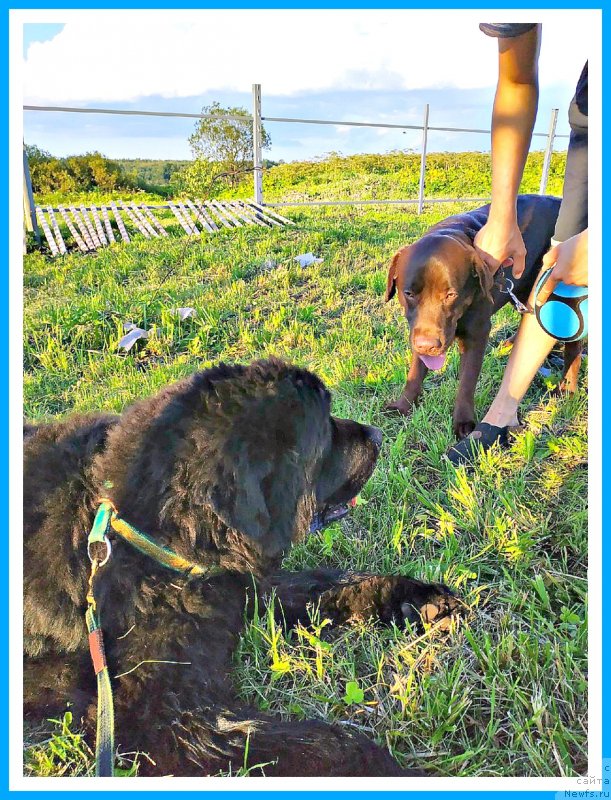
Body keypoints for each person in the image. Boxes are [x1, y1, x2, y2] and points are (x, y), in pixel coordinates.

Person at [447, 23, 588, 466]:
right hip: (594, 117)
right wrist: (502, 214)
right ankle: (502, 417)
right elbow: (516, 80)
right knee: (560, 268)